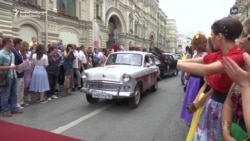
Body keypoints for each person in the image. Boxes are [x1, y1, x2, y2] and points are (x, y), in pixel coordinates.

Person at [176, 17, 244, 140]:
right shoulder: (221, 53)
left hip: (223, 108)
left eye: (212, 35)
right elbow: (201, 60)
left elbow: (207, 69)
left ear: (219, 37)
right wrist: (181, 60)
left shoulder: (236, 55)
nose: (210, 39)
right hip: (213, 105)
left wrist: (176, 64)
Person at [0, 37, 23, 117]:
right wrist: (10, 67)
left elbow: (12, 65)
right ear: (7, 43)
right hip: (6, 76)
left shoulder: (12, 53)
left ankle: (14, 108)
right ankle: (5, 110)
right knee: (6, 94)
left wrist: (16, 67)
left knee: (14, 93)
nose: (13, 44)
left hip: (13, 75)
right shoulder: (1, 54)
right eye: (12, 43)